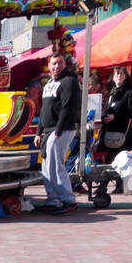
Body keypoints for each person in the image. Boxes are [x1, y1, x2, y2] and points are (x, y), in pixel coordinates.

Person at [37, 52, 81, 215]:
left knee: (56, 166)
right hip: (48, 131)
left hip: (61, 130)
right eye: (53, 63)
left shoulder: (69, 82)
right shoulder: (48, 84)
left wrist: (59, 130)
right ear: (49, 66)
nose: (56, 66)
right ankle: (53, 199)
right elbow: (44, 109)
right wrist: (38, 132)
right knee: (46, 167)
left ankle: (68, 199)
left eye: (60, 63)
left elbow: (68, 108)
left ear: (65, 64)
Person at [98, 66, 132, 157]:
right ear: (113, 77)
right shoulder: (111, 92)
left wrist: (115, 116)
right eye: (117, 74)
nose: (119, 76)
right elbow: (107, 109)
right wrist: (104, 117)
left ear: (125, 76)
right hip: (109, 133)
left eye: (121, 74)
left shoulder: (130, 92)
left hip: (122, 133)